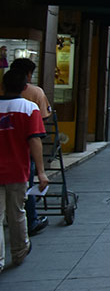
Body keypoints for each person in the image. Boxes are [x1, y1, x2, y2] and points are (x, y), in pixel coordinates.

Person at [0, 67, 50, 272]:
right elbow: (35, 141)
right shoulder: (29, 108)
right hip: (17, 170)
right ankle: (19, 252)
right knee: (17, 213)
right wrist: (41, 172)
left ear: (3, 86)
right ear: (24, 87)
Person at [9, 59, 51, 237]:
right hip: (24, 151)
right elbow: (41, 125)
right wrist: (42, 172)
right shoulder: (35, 95)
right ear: (27, 75)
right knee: (26, 187)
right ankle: (31, 221)